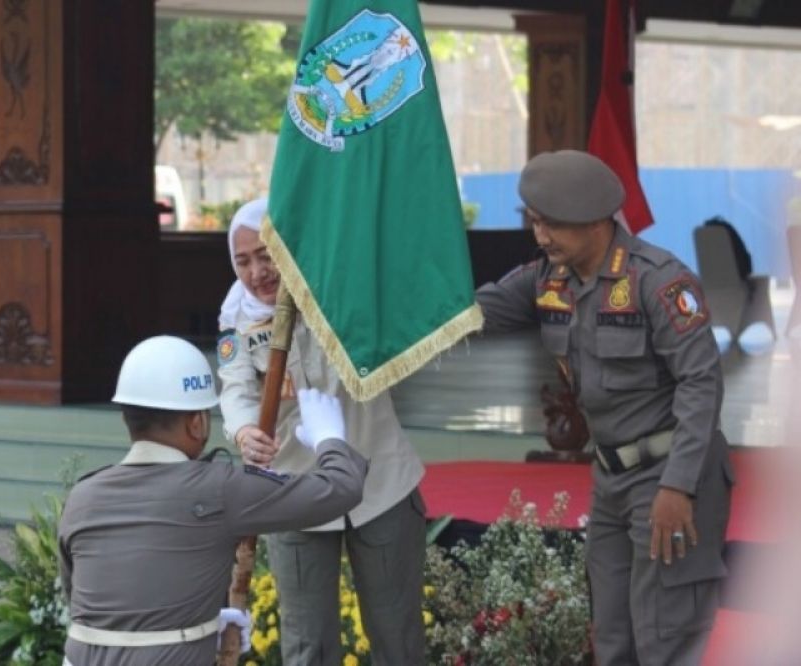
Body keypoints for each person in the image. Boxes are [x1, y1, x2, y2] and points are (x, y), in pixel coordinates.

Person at [474, 150, 733, 665]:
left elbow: (701, 383)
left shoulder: (659, 281)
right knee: (613, 639)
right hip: (611, 478)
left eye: (551, 224)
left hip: (670, 474)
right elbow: (468, 313)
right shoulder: (548, 279)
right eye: (535, 222)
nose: (540, 236)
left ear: (595, 221)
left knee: (665, 637)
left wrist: (678, 486)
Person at [57, 335, 368, 666]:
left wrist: (200, 623)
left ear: (125, 419)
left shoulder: (82, 496)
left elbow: (89, 604)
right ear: (197, 424)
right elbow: (341, 487)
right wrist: (329, 438)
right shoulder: (219, 488)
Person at [217, 198, 427, 664]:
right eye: (243, 261)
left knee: (397, 634)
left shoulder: (340, 288)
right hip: (294, 492)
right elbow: (234, 388)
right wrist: (244, 431)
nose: (257, 273)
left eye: (267, 255)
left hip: (379, 483)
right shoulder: (236, 317)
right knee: (307, 642)